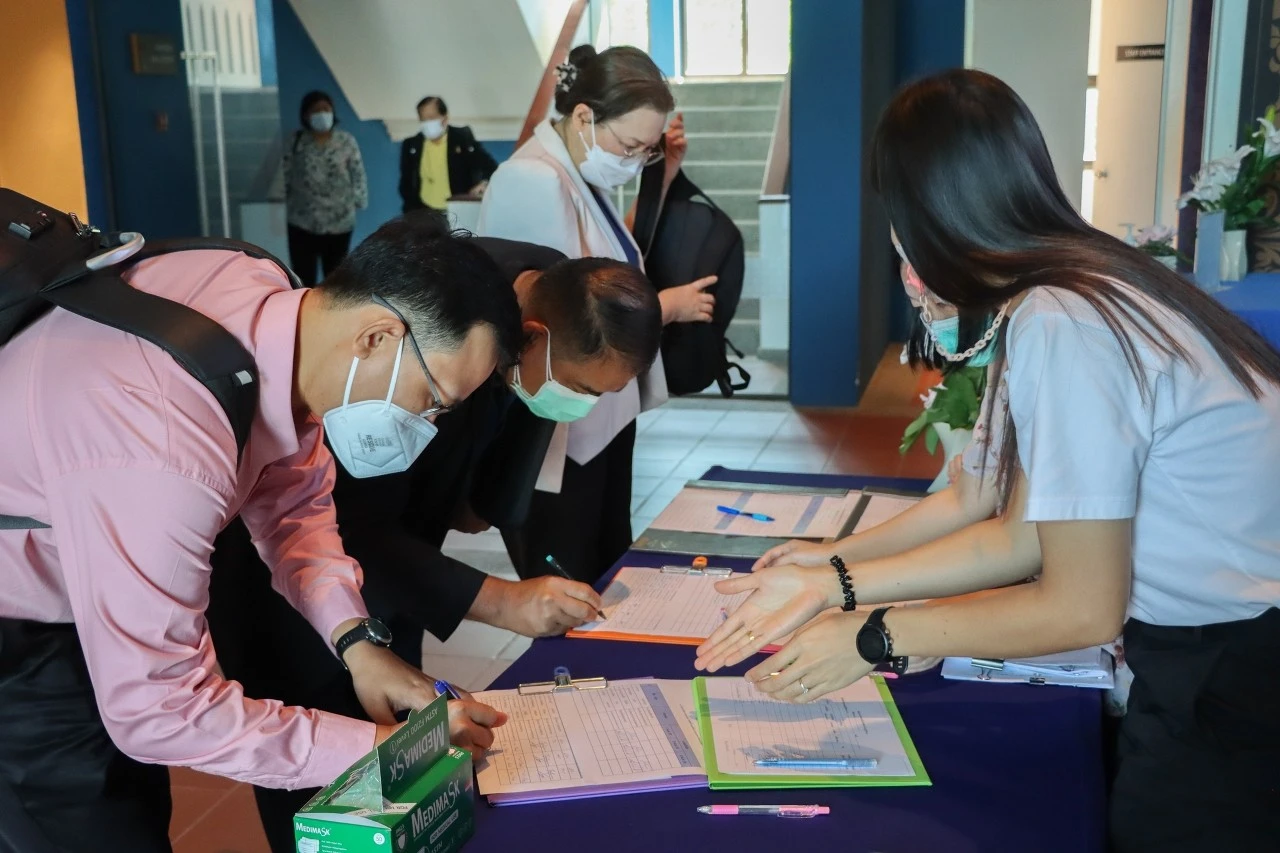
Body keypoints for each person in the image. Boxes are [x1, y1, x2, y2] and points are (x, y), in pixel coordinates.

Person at [695, 69, 1280, 853]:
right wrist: (830, 578)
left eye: (897, 215)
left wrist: (873, 634)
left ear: (932, 210)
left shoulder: (1065, 319)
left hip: (1233, 666)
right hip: (1223, 649)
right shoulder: (1068, 292)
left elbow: (1081, 605)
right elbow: (1016, 528)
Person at [0, 216, 522, 852]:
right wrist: (378, 751)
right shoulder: (167, 445)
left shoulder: (268, 296)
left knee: (127, 795)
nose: (428, 424)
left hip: (84, 570)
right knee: (88, 819)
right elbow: (162, 712)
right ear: (377, 336)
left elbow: (293, 503)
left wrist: (358, 644)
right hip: (20, 630)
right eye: (434, 398)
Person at [207, 237, 663, 851]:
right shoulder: (436, 322)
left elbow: (475, 498)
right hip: (292, 594)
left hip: (377, 573)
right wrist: (497, 599)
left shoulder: (543, 310)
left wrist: (481, 513)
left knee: (403, 755)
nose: (577, 406)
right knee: (322, 797)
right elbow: (341, 524)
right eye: (579, 387)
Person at [478, 44, 718, 583]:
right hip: (560, 432)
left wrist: (663, 172)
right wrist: (667, 306)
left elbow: (607, 255)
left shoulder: (577, 171)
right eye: (631, 145)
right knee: (569, 580)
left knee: (605, 565)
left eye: (647, 152)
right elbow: (564, 315)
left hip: (601, 420)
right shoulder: (534, 181)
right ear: (584, 116)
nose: (635, 160)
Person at [285, 90, 369, 285]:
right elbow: (285, 174)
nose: (322, 114)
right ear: (306, 115)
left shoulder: (346, 141)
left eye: (326, 109)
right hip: (303, 222)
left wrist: (359, 200)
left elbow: (358, 173)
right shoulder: (296, 141)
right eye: (316, 110)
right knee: (303, 278)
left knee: (336, 278)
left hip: (339, 222)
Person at [399, 96, 499, 213]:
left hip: (458, 210)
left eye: (431, 118)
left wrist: (483, 183)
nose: (427, 123)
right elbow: (406, 183)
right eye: (423, 119)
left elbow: (490, 166)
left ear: (445, 118)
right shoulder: (412, 145)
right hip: (424, 212)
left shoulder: (462, 139)